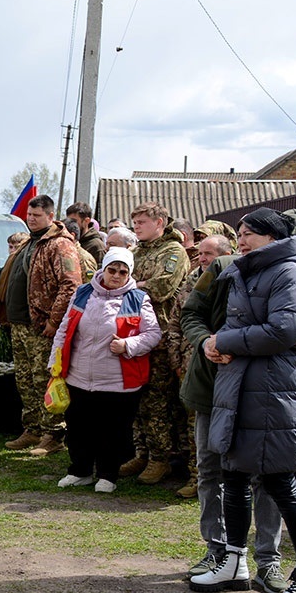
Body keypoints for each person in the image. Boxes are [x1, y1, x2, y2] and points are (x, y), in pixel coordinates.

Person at [189, 208, 296, 593]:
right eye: (241, 233)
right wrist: (211, 344)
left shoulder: (289, 271)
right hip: (236, 386)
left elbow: (286, 330)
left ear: (273, 237)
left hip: (271, 390)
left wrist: (225, 341)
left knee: (280, 481)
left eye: (250, 233)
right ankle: (233, 562)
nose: (243, 239)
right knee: (232, 475)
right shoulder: (242, 271)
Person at [49, 248, 161, 492]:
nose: (116, 275)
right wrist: (54, 361)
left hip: (117, 381)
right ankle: (80, 471)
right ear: (103, 269)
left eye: (123, 272)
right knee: (78, 427)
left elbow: (153, 334)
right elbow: (64, 328)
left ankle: (108, 475)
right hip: (79, 376)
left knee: (113, 430)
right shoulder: (83, 292)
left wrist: (128, 345)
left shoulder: (138, 298)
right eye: (112, 270)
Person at [0, 195, 81, 455]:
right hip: (20, 324)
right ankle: (32, 429)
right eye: (29, 215)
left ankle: (53, 434)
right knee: (25, 380)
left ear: (50, 216)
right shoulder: (30, 242)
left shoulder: (60, 244)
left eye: (36, 216)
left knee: (45, 380)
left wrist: (54, 321)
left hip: (42, 327)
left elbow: (70, 285)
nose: (30, 219)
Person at [119, 203, 190, 484]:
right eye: (134, 222)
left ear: (159, 222)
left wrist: (129, 286)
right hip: (133, 334)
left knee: (157, 401)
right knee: (138, 399)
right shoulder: (136, 252)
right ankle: (143, 452)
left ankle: (161, 458)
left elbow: (162, 287)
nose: (136, 227)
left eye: (142, 222)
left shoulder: (173, 251)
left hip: (159, 337)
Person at [167, 233, 234, 499]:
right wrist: (175, 358)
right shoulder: (191, 280)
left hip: (217, 364)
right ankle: (195, 474)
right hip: (189, 362)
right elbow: (178, 320)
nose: (202, 259)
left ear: (225, 256)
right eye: (200, 253)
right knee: (191, 424)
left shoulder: (231, 280)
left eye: (208, 254)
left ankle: (201, 478)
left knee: (206, 425)